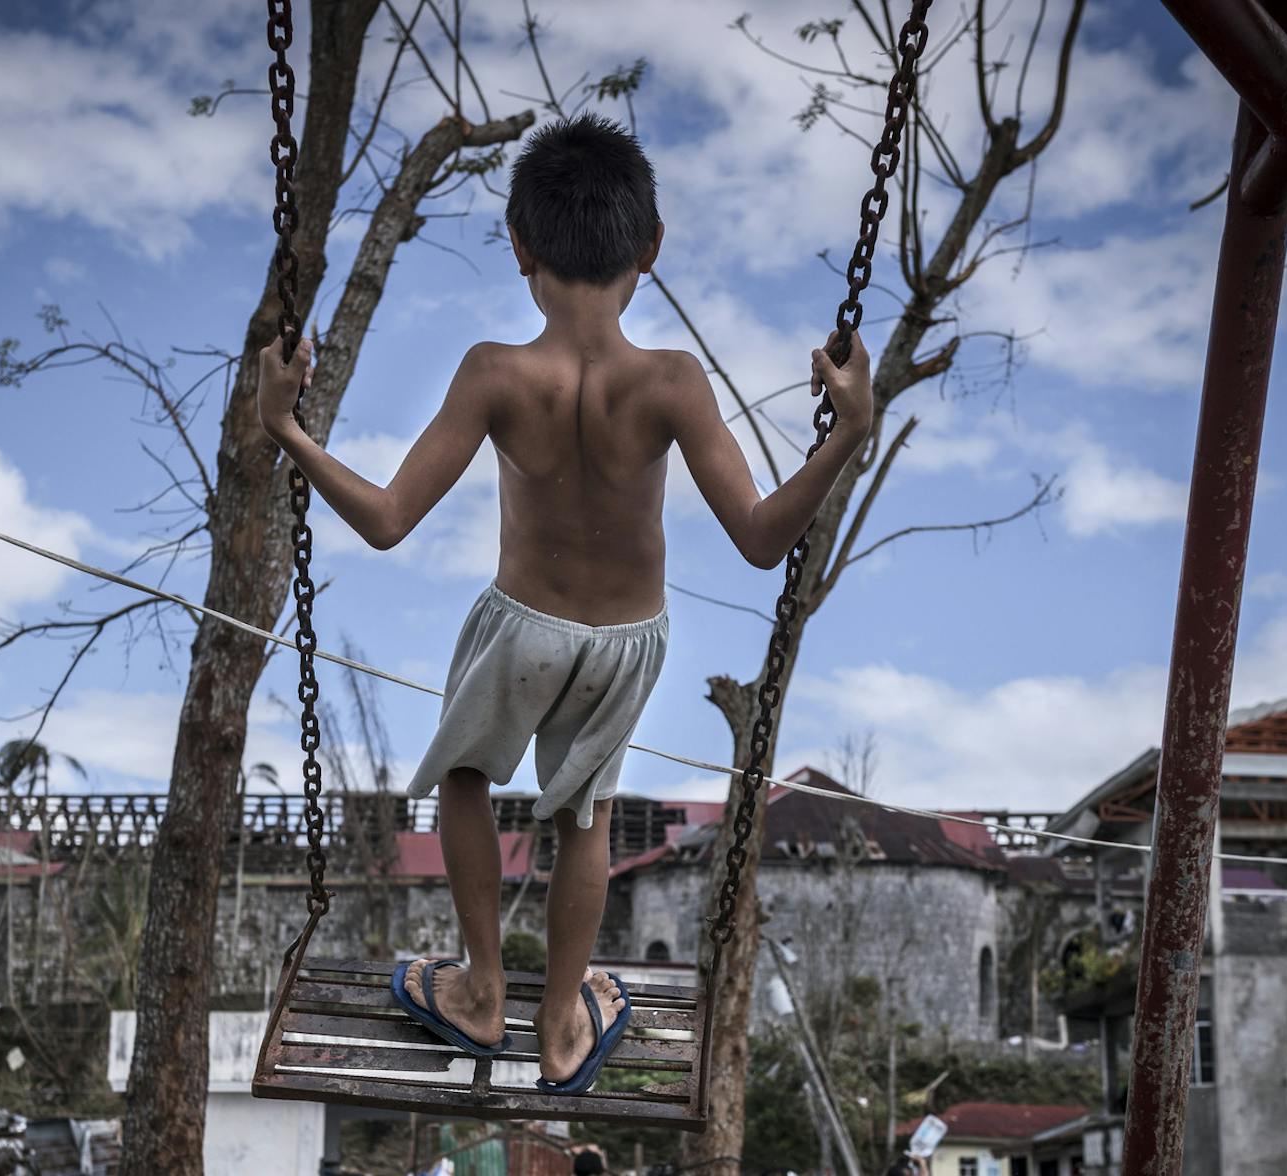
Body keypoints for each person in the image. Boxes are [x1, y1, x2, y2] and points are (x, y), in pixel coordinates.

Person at [259, 112, 874, 1093]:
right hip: (629, 640)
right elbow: (762, 540)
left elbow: (384, 521)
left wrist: (287, 428)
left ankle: (481, 990)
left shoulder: (496, 372)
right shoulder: (671, 382)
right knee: (583, 817)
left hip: (519, 626)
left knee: (463, 775)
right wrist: (848, 434)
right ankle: (556, 1031)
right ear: (652, 251)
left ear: (519, 247)